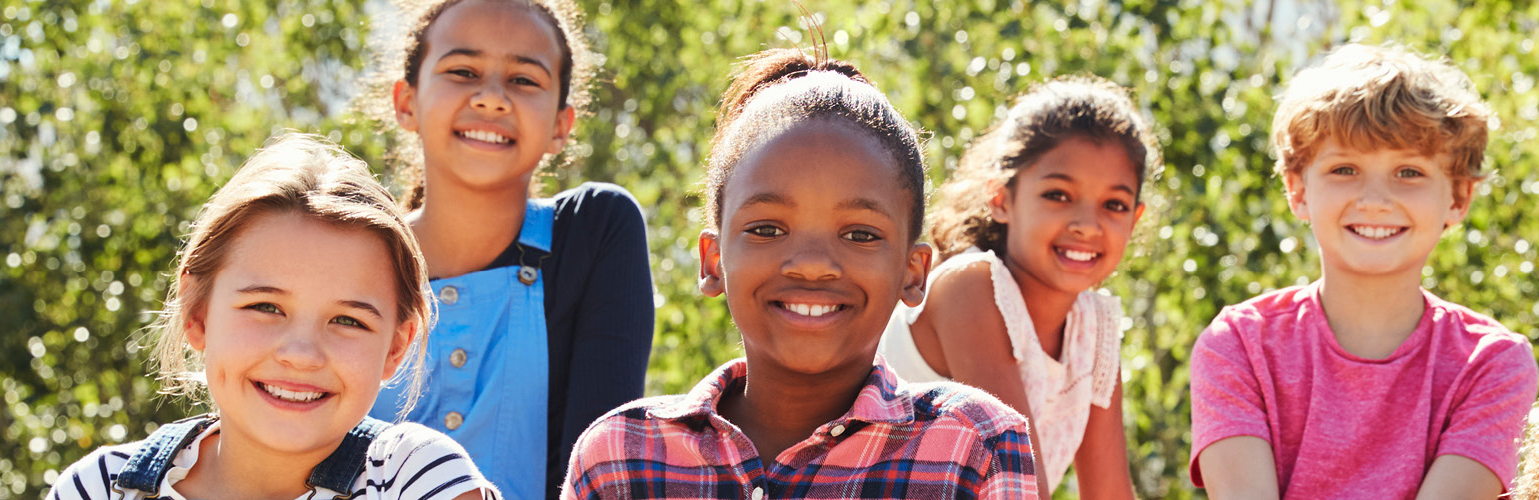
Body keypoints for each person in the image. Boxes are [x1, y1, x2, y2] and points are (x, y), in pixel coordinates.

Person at [562, 48, 1038, 499]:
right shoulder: (620, 454)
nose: (812, 263)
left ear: (913, 273)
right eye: (768, 228)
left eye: (859, 234)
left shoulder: (972, 445)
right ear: (712, 261)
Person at [47, 134, 498, 500]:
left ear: (396, 348)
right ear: (197, 313)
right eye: (266, 307)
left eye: (348, 321)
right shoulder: (101, 487)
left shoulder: (414, 480)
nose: (301, 355)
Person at [1190, 43, 1539, 499]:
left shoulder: (1493, 364)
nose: (1375, 198)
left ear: (1457, 197)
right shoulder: (1238, 346)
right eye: (1345, 168)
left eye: (1409, 172)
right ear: (1297, 190)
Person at [365, 1, 653, 498]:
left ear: (562, 125)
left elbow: (601, 475)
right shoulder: (349, 254)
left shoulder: (595, 231)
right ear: (406, 102)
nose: (492, 98)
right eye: (462, 71)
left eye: (524, 80)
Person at [879, 76, 1154, 498]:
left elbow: (1110, 492)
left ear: (1134, 220)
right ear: (1001, 198)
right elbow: (1019, 486)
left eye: (1113, 204)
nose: (1086, 224)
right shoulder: (969, 287)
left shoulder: (1093, 331)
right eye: (1058, 194)